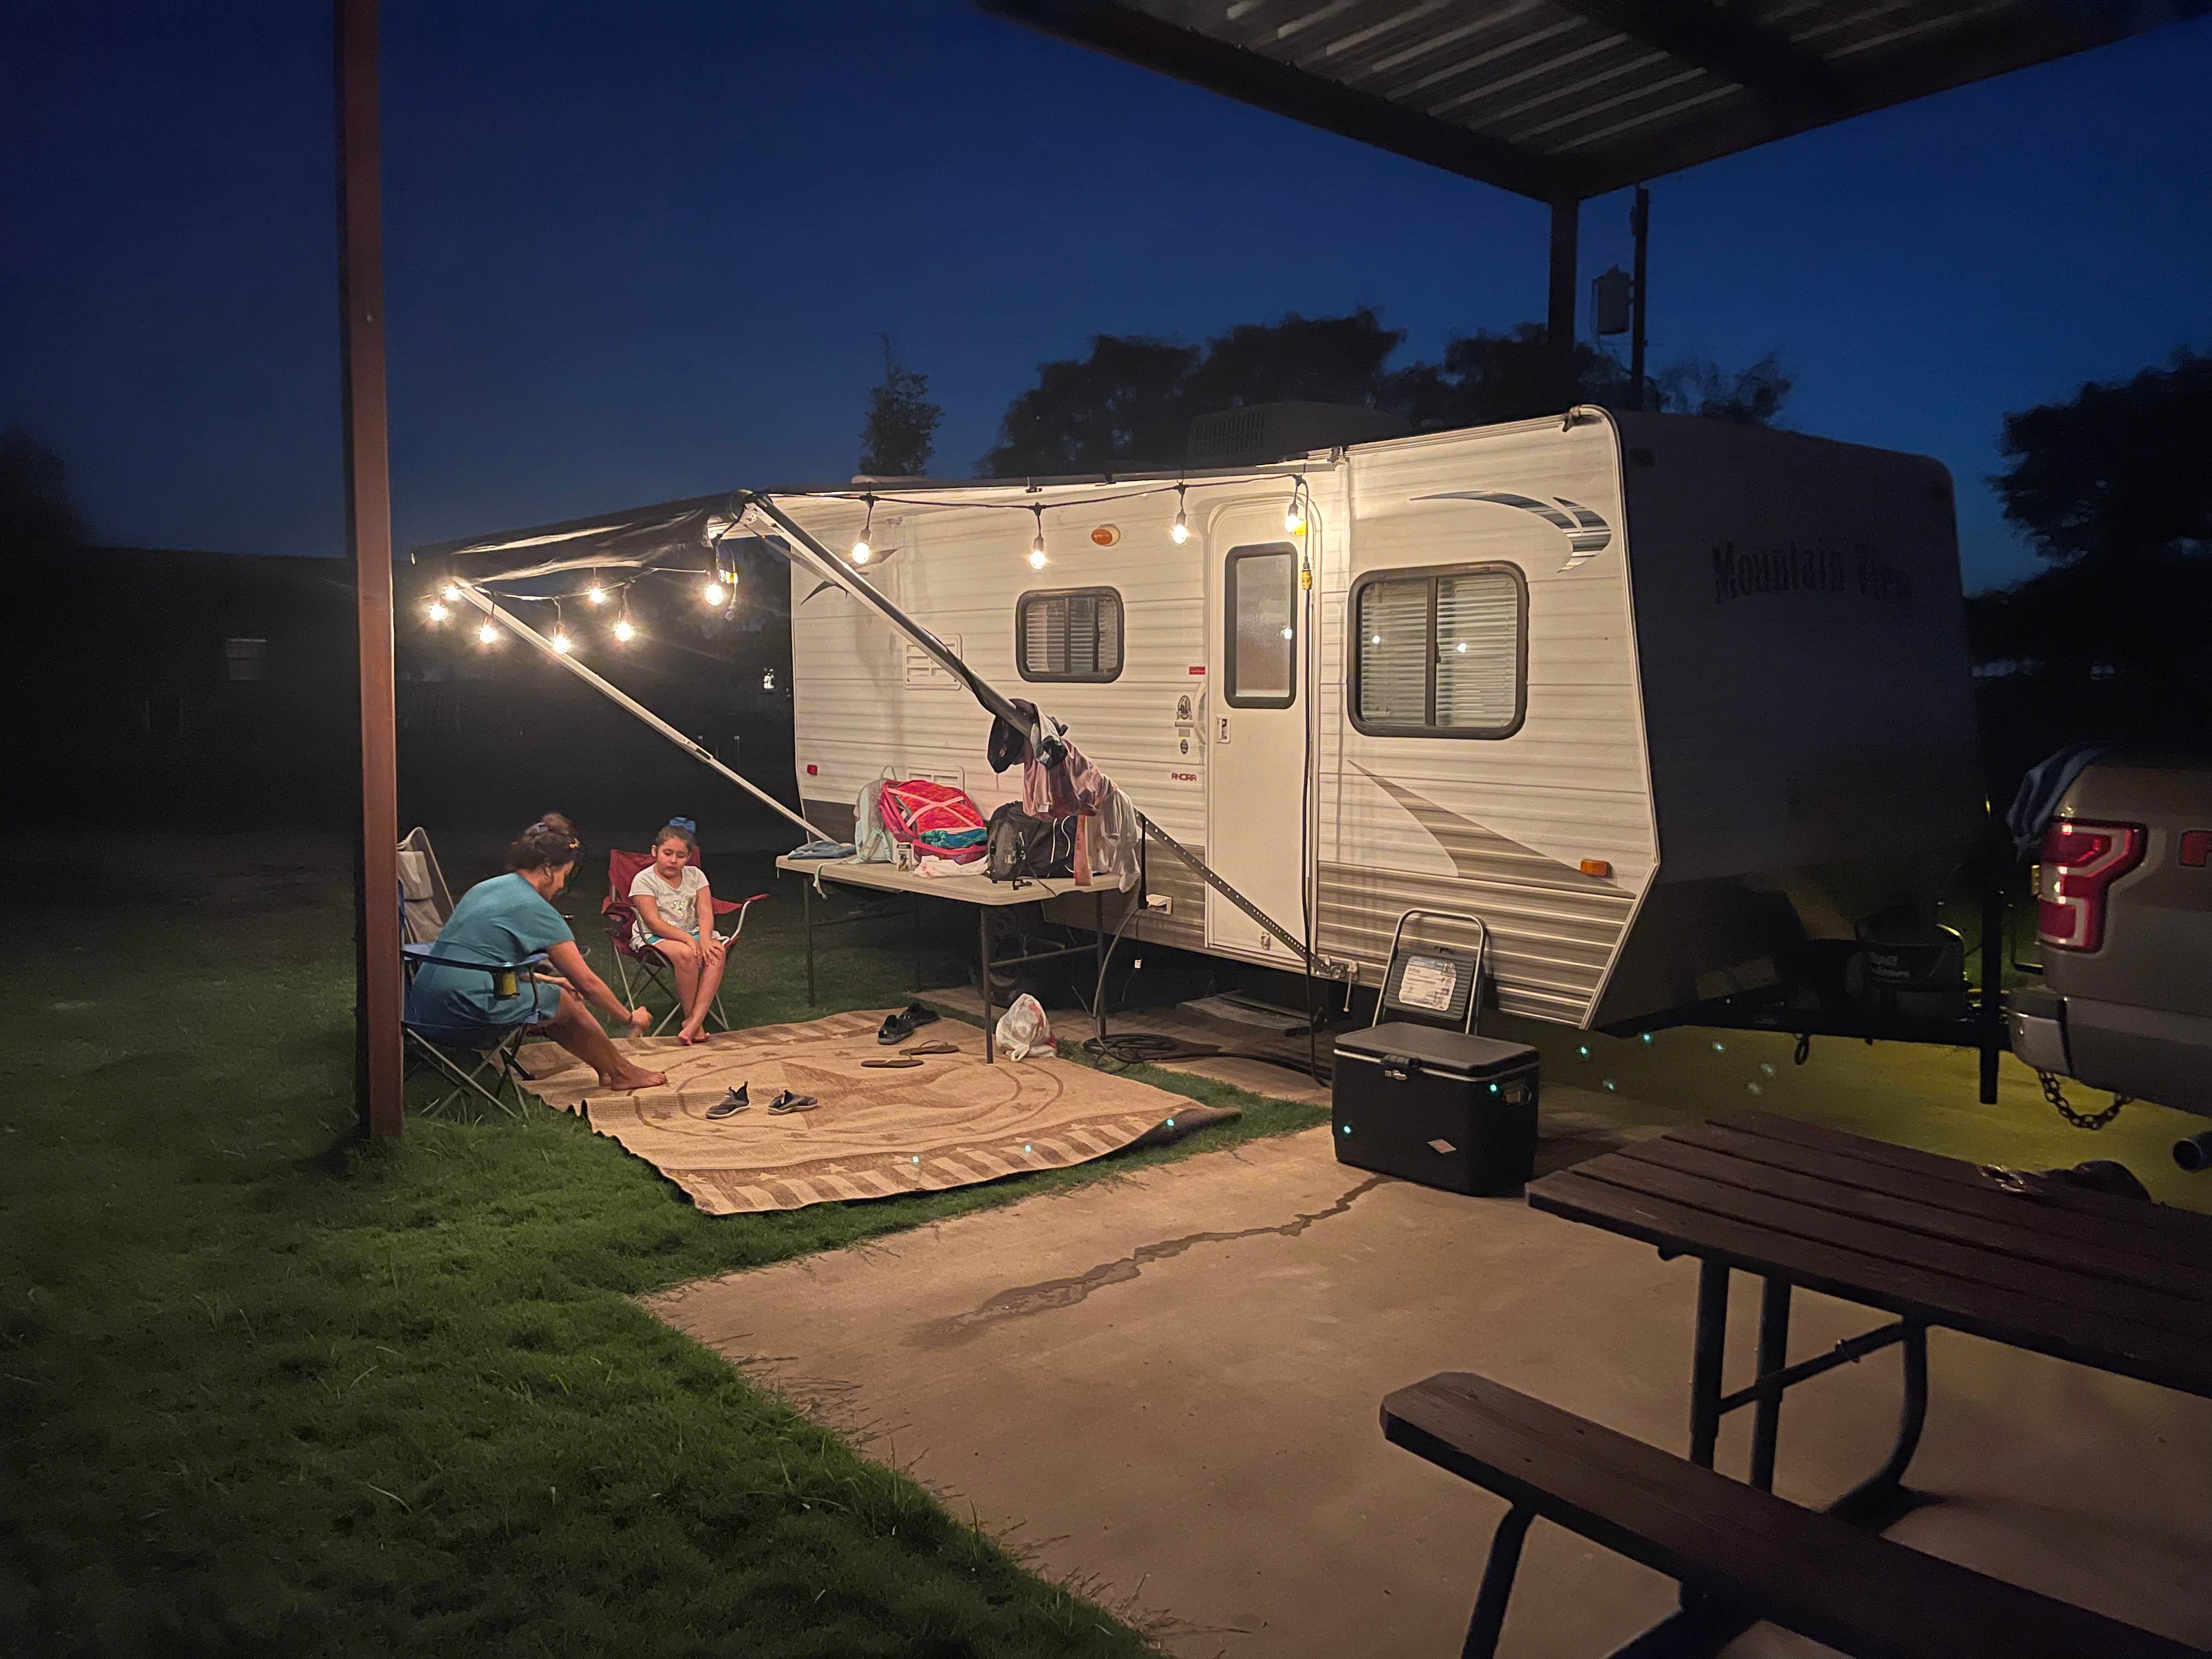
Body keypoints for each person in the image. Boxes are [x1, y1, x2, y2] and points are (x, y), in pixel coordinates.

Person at [406, 819, 664, 1092]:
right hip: (462, 1012)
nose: (562, 884)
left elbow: (485, 959)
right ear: (549, 869)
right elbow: (588, 983)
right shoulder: (535, 908)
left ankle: (608, 1069)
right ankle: (621, 1072)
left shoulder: (487, 888)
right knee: (564, 1001)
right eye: (565, 874)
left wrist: (551, 980)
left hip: (422, 1004)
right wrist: (630, 1018)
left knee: (552, 997)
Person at [628, 818, 729, 1046]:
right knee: (685, 954)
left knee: (717, 952)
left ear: (689, 857)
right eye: (668, 853)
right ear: (655, 851)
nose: (673, 860)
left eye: (681, 856)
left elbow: (705, 911)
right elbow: (654, 922)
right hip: (654, 937)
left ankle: (693, 1021)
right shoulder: (644, 880)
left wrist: (704, 938)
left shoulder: (696, 876)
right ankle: (694, 1022)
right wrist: (689, 940)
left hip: (692, 931)